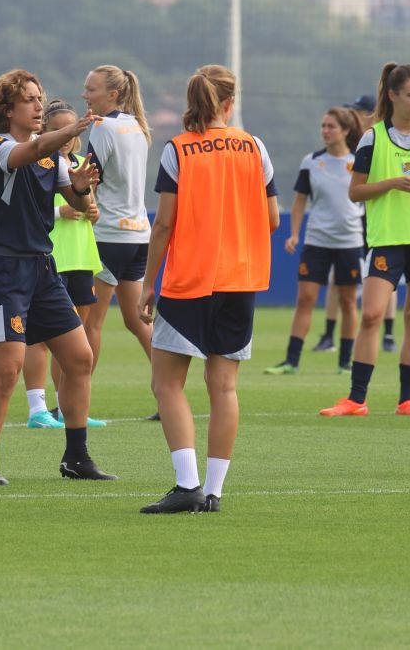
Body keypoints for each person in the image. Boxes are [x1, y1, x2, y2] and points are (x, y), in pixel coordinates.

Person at [138, 65, 279, 513]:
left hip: (191, 279)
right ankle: (214, 492)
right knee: (224, 388)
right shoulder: (255, 147)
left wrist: (148, 283)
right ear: (229, 102)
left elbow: (163, 223)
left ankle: (187, 486)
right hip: (241, 279)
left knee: (167, 383)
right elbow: (273, 219)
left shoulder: (178, 149)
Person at [0, 69, 115, 485]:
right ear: (6, 109)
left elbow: (75, 196)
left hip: (42, 268)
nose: (39, 105)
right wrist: (74, 128)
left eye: (40, 98)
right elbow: (28, 152)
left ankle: (76, 458)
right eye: (30, 99)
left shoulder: (51, 156)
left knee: (79, 357)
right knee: (6, 372)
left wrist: (85, 186)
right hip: (4, 271)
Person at [320, 62, 410, 418]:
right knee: (372, 315)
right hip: (387, 240)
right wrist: (393, 182)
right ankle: (356, 399)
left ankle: (407, 400)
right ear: (393, 95)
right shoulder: (372, 137)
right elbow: (355, 192)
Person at [22, 99, 107, 430]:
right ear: (45, 131)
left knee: (76, 339)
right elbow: (33, 209)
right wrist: (61, 211)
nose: (67, 136)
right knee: (42, 339)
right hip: (54, 256)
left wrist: (91, 208)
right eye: (58, 129)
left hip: (82, 255)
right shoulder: (37, 161)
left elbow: (89, 208)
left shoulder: (79, 164)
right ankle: (37, 409)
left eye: (72, 129)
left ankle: (66, 408)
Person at [80, 65, 159, 419]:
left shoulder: (101, 127)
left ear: (113, 94)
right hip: (138, 233)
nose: (86, 95)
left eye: (91, 90)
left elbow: (88, 178)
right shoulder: (138, 127)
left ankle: (75, 402)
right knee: (136, 320)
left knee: (90, 323)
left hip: (109, 234)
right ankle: (168, 392)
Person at [264, 106, 365, 376]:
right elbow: (299, 203)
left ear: (345, 130)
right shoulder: (311, 161)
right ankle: (291, 361)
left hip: (350, 242)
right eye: (323, 126)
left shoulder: (360, 162)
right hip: (317, 240)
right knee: (305, 299)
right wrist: (295, 234)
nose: (325, 131)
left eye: (331, 126)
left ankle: (345, 363)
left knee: (348, 302)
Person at [310, 94, 399, 354]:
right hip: (354, 217)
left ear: (373, 113)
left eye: (360, 111)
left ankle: (389, 333)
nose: (356, 115)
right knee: (338, 279)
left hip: (377, 217)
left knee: (385, 274)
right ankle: (328, 334)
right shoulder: (355, 141)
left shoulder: (383, 139)